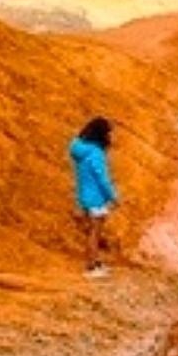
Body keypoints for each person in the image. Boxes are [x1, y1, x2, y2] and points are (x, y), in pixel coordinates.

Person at [69, 117, 117, 278]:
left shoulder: (81, 150)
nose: (111, 136)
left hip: (85, 195)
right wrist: (112, 196)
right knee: (94, 233)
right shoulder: (96, 153)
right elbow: (102, 177)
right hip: (96, 198)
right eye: (109, 133)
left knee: (92, 231)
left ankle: (95, 262)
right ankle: (91, 267)